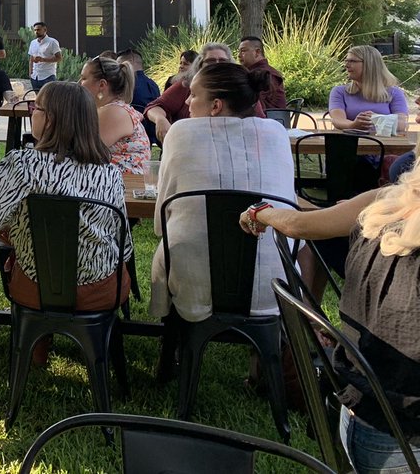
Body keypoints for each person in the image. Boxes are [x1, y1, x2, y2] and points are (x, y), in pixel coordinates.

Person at [240, 171, 420, 473]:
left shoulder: (381, 202)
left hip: (351, 413)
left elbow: (299, 224)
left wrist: (264, 213)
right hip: (403, 439)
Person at [0, 81, 132, 363]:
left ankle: (35, 348)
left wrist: (14, 226)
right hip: (102, 288)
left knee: (33, 251)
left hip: (36, 287)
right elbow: (124, 246)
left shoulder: (21, 164)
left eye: (36, 108)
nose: (32, 112)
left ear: (51, 118)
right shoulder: (111, 173)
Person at [149, 62, 293, 327]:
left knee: (172, 246)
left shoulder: (180, 132)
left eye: (193, 95)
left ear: (215, 106)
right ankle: (274, 357)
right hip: (272, 283)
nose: (188, 102)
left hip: (193, 281)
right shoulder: (276, 133)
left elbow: (161, 224)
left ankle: (175, 353)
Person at [144, 42, 233, 144]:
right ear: (200, 64)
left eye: (222, 61)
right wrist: (160, 119)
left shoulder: (239, 89)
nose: (217, 64)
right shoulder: (186, 85)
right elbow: (153, 107)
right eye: (211, 61)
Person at [80, 55, 151, 182]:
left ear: (102, 85)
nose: (79, 83)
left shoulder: (113, 112)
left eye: (84, 78)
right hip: (115, 181)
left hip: (125, 185)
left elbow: (85, 152)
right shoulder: (112, 109)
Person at [329, 44, 408, 132]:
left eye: (352, 61)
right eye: (346, 61)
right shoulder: (339, 91)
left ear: (369, 64)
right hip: (348, 143)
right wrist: (353, 125)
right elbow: (337, 120)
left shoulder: (394, 93)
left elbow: (402, 124)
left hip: (382, 143)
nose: (346, 65)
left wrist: (377, 119)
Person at [119, 48, 161, 145]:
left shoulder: (123, 85)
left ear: (129, 63)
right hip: (148, 139)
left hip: (127, 140)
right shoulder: (153, 85)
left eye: (120, 65)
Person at [237, 35, 286, 110]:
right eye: (239, 51)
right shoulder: (252, 71)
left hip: (270, 119)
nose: (239, 55)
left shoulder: (267, 74)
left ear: (257, 52)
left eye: (243, 51)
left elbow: (255, 103)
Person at [27, 21, 62, 91]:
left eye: (39, 30)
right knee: (38, 100)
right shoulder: (33, 43)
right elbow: (31, 59)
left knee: (48, 100)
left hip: (47, 76)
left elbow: (59, 58)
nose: (36, 32)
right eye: (35, 30)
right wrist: (30, 73)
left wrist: (43, 59)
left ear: (45, 30)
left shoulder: (52, 42)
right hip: (35, 77)